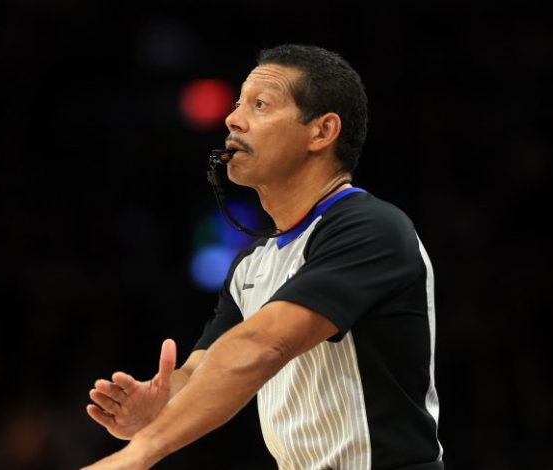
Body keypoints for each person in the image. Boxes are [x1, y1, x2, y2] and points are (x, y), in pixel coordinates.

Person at [83, 44, 444, 470]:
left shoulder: (371, 229)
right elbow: (205, 368)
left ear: (322, 131)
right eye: (238, 104)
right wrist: (160, 406)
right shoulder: (251, 263)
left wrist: (140, 454)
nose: (233, 119)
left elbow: (261, 345)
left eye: (260, 105)